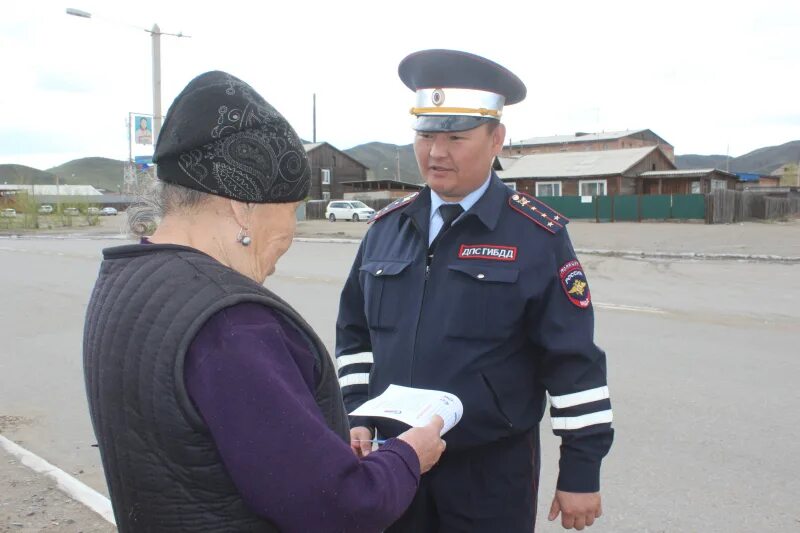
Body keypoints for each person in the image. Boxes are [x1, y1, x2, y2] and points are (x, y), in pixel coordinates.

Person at [83, 71, 446, 533]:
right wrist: (407, 454)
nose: (292, 231)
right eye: (291, 210)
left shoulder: (127, 277)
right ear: (244, 206)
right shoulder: (232, 325)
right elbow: (340, 508)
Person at [336, 50, 614, 532]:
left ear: (496, 139)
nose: (436, 153)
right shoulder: (386, 228)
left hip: (491, 470)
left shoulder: (535, 235)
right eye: (425, 135)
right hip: (394, 462)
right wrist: (355, 416)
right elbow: (355, 339)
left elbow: (573, 362)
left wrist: (581, 472)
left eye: (456, 138)